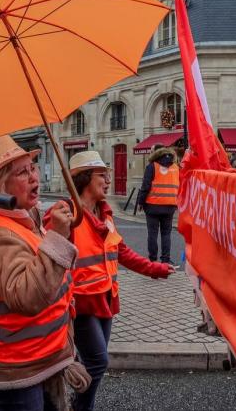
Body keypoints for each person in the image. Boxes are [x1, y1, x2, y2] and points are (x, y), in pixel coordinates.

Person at [0, 135, 90, 411]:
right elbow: (28, 295)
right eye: (22, 172)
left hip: (38, 358)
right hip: (16, 368)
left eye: (33, 167)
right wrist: (57, 236)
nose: (34, 177)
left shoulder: (23, 218)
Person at [51, 151, 174, 411]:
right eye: (102, 176)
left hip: (106, 298)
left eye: (108, 175)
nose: (108, 181)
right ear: (85, 179)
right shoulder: (65, 212)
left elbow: (122, 252)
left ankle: (74, 401)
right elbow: (48, 255)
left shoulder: (105, 214)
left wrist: (156, 269)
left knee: (92, 361)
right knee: (97, 361)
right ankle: (79, 407)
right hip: (80, 303)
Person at [137, 144, 179, 265]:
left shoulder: (152, 166)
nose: (150, 153)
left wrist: (140, 202)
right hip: (170, 205)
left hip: (152, 205)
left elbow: (145, 186)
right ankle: (166, 259)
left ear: (156, 152)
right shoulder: (175, 167)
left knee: (152, 233)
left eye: (151, 151)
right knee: (166, 234)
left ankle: (152, 259)